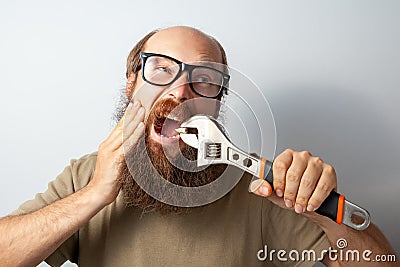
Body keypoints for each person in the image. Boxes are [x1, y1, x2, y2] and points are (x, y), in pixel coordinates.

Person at [0, 26, 397, 267]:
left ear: (218, 100)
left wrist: (322, 212)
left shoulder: (260, 186)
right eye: (161, 68)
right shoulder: (86, 175)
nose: (180, 89)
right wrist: (94, 195)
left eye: (204, 77)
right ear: (130, 83)